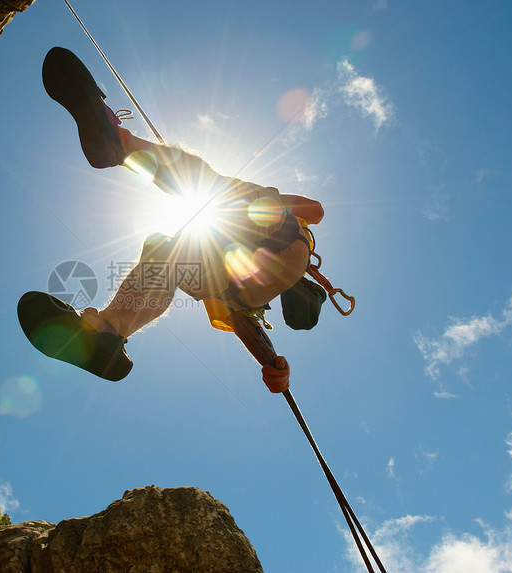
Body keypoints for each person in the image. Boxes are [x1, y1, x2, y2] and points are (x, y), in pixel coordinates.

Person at [17, 47, 324, 382]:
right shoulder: (241, 293)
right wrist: (271, 363)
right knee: (164, 250)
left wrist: (271, 200)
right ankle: (108, 331)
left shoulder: (280, 236)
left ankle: (119, 143)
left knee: (217, 191)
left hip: (279, 247)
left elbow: (315, 210)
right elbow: (245, 324)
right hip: (232, 284)